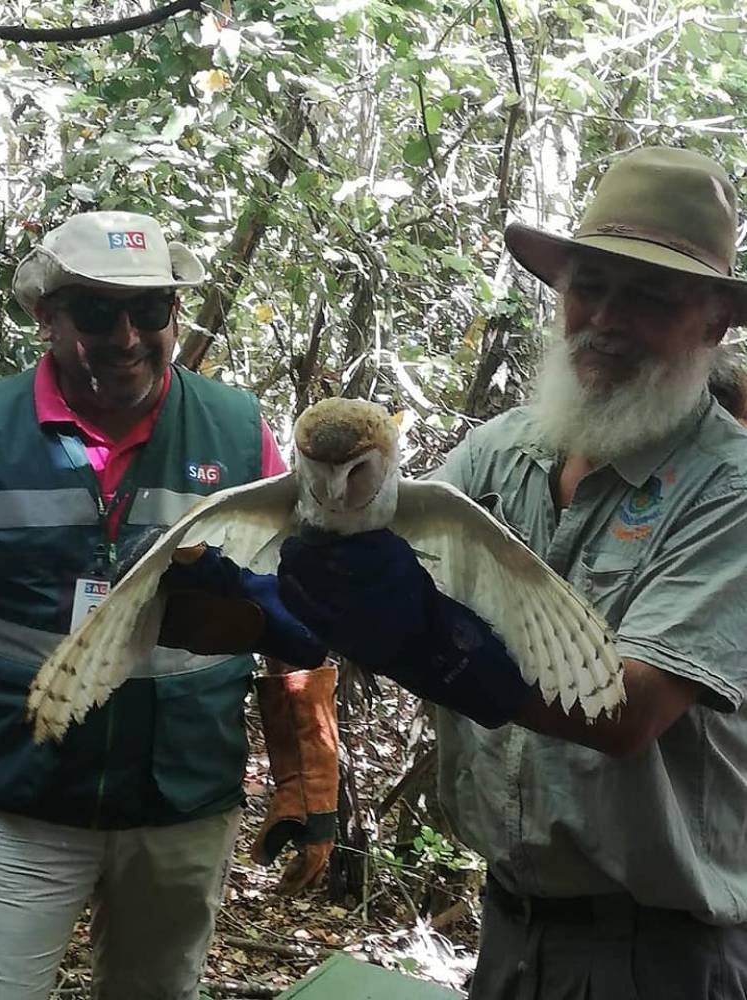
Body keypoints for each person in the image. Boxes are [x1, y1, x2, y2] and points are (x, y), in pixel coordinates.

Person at [277, 147, 747, 997]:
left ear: (715, 322)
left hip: (664, 954)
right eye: (589, 285)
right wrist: (268, 598)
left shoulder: (732, 489)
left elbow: (631, 710)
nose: (606, 317)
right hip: (511, 929)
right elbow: (378, 565)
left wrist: (430, 645)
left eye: (650, 296)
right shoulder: (503, 453)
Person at [0, 211, 338, 1000]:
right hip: (22, 796)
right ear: (47, 315)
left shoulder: (235, 427)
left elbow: (298, 605)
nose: (127, 336)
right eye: (96, 311)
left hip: (179, 796)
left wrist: (306, 778)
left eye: (150, 310)